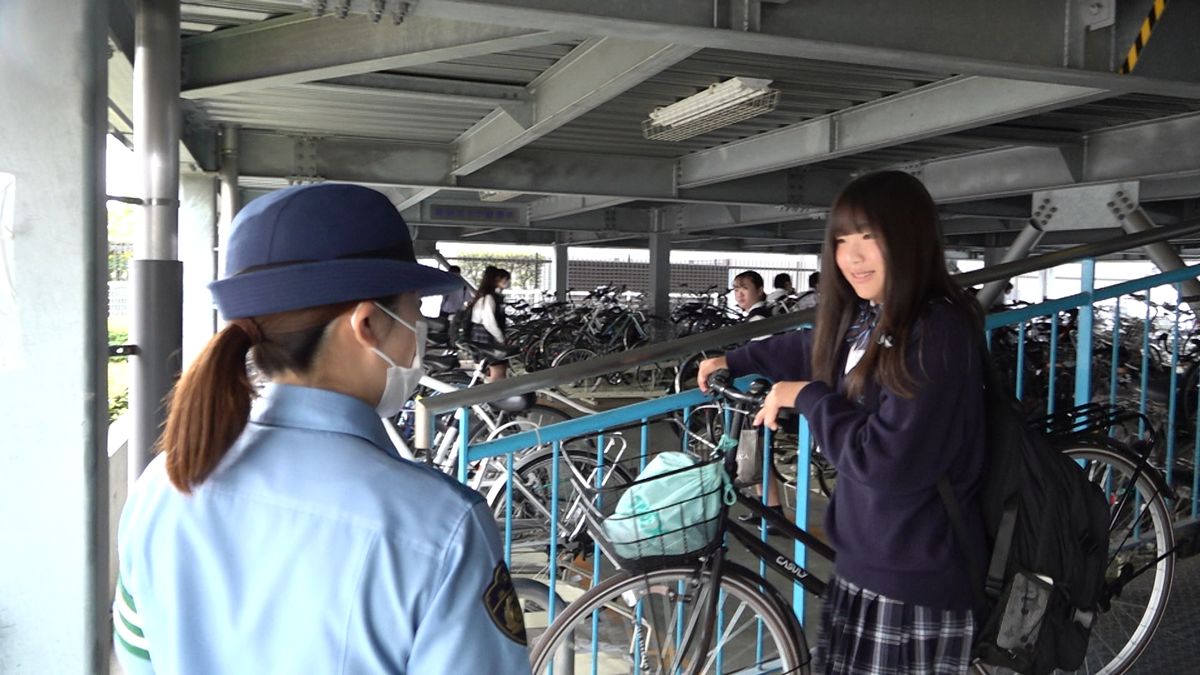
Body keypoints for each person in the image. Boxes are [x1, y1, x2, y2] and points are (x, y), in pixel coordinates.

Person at [112, 184, 531, 675]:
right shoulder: (441, 525)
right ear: (368, 324)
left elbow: (138, 658)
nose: (418, 331)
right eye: (415, 310)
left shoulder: (165, 480)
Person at [698, 171, 986, 674]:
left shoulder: (936, 330)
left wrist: (808, 397)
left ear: (910, 238)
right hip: (864, 560)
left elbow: (887, 460)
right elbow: (815, 347)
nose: (852, 257)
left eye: (870, 238)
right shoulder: (874, 317)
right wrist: (736, 359)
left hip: (913, 581)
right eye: (841, 241)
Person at [467, 265, 512, 381]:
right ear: (496, 280)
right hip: (487, 336)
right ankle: (496, 396)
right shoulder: (489, 298)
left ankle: (491, 394)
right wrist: (500, 338)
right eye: (505, 279)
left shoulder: (483, 295)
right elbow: (489, 322)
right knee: (498, 370)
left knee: (489, 370)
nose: (507, 282)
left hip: (479, 334)